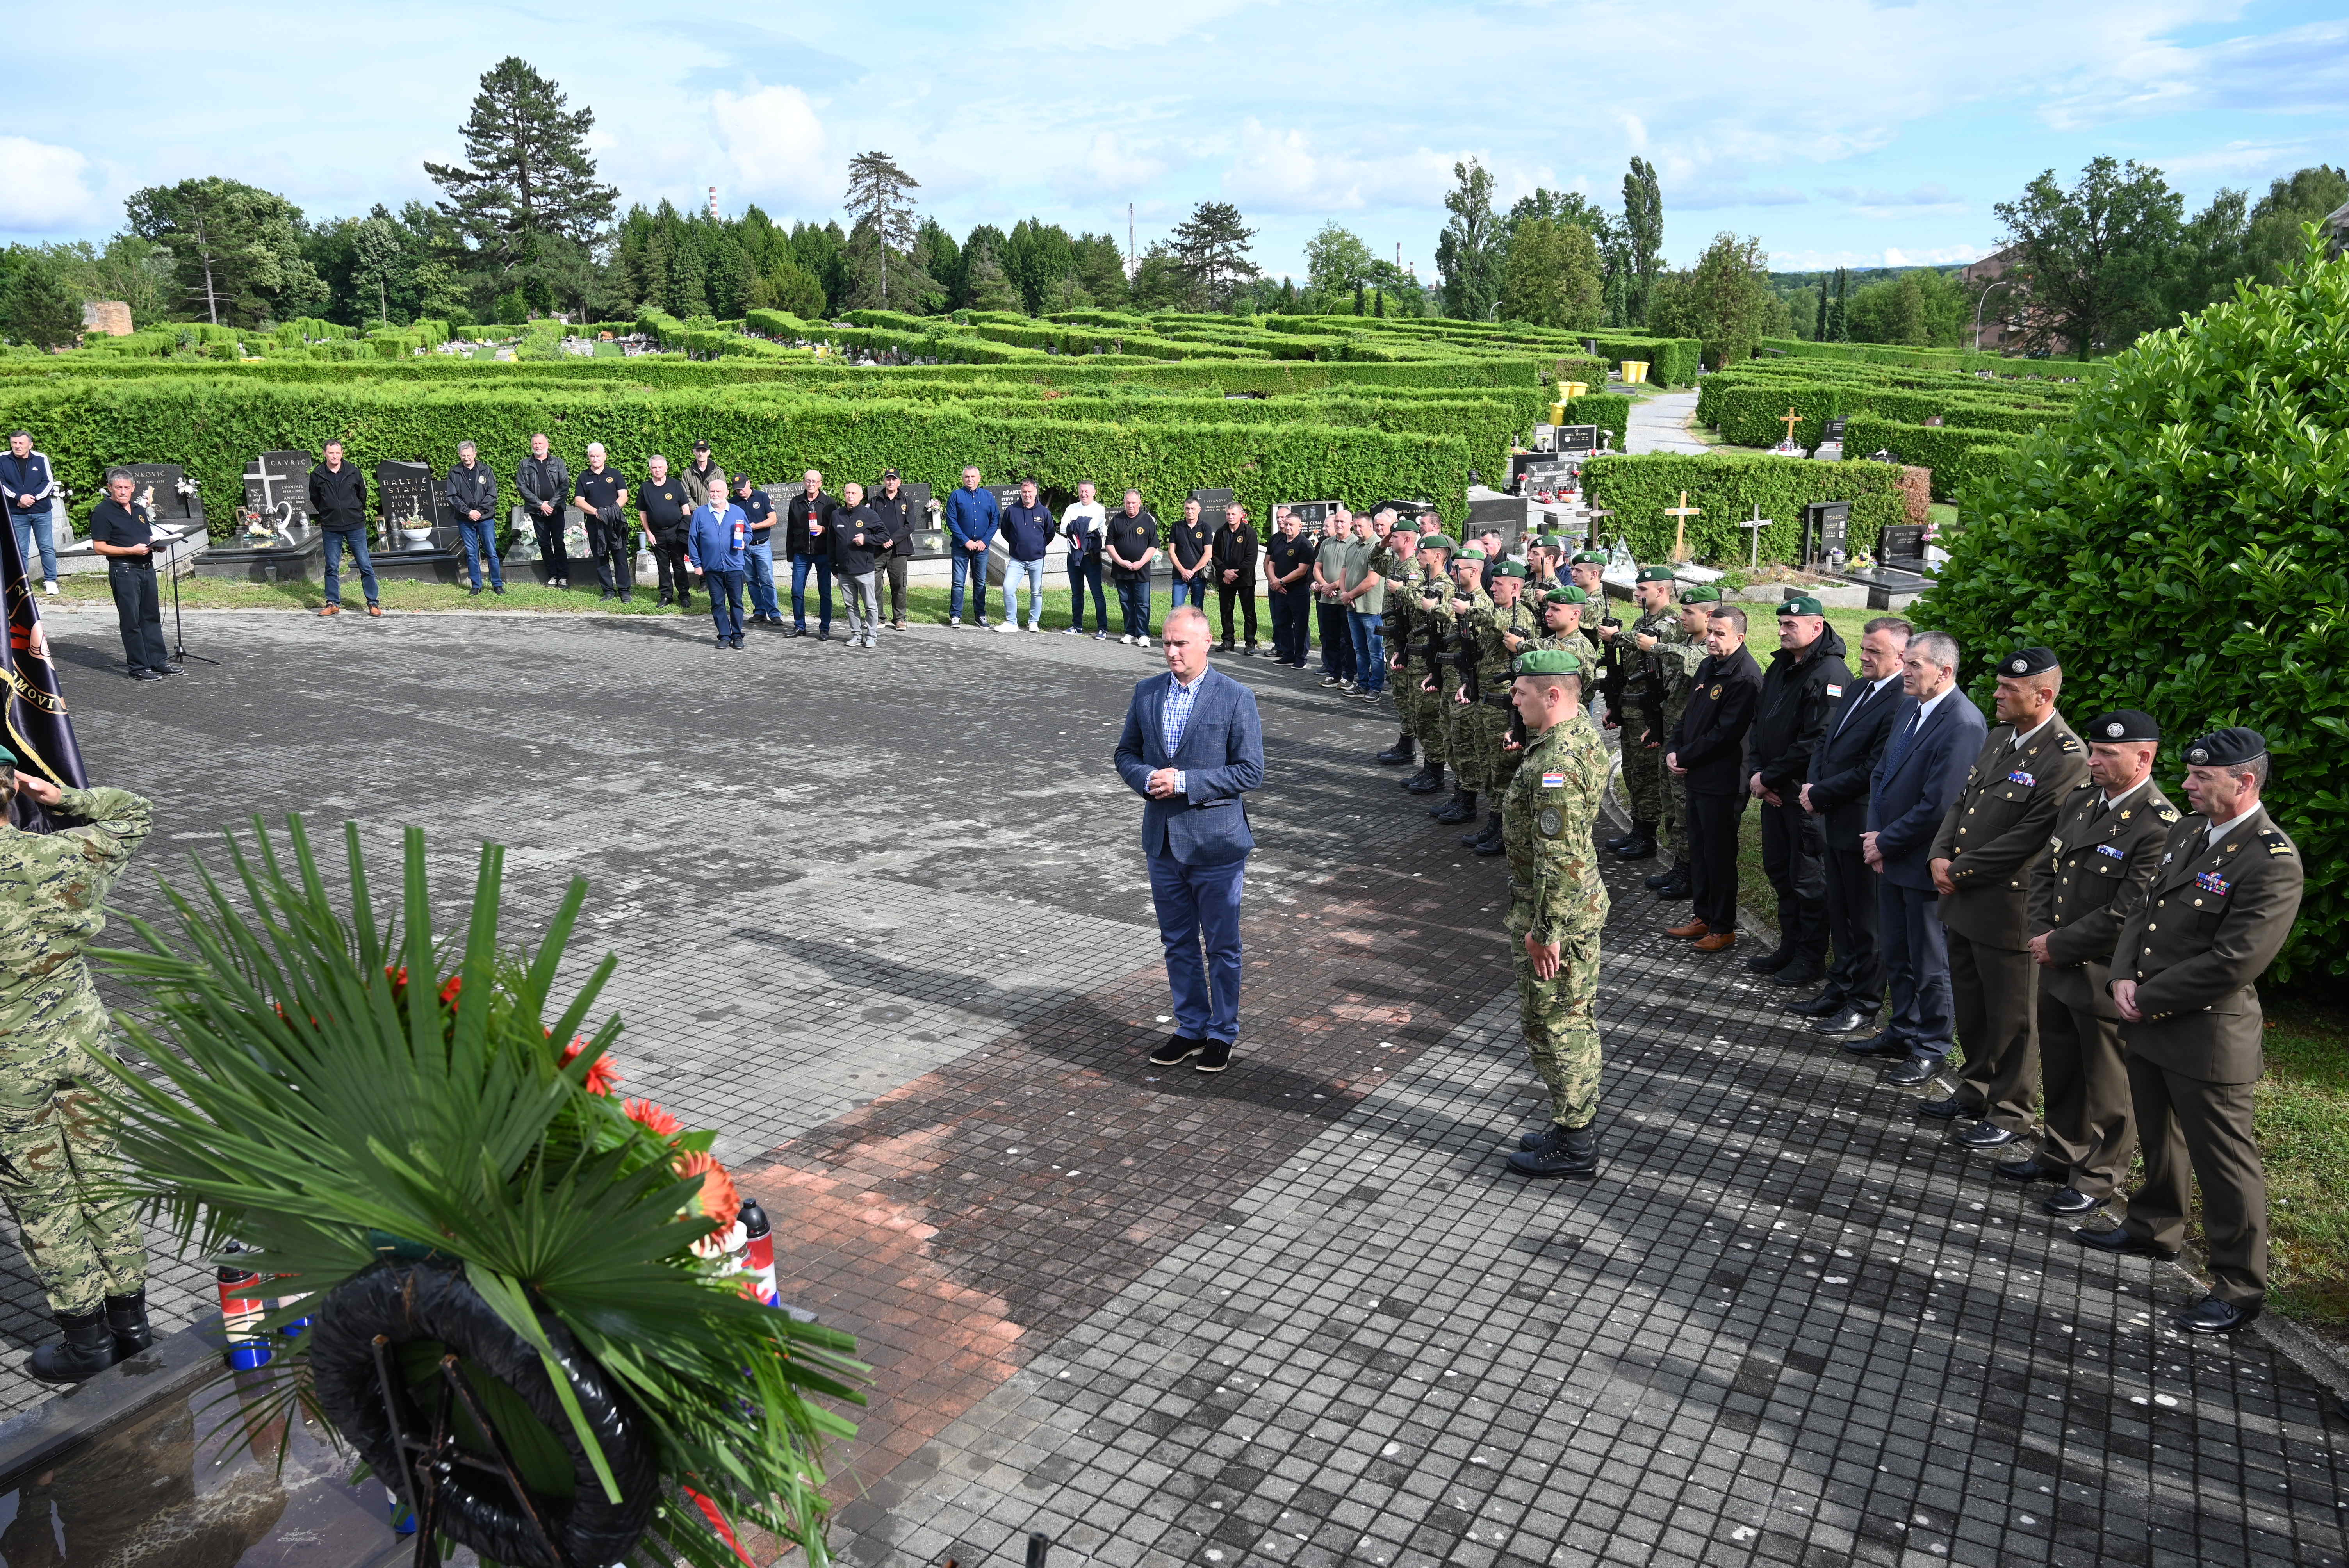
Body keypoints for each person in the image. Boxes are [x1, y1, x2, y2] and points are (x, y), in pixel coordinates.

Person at [2075, 727, 2301, 1335]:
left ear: (2244, 782)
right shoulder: (2189, 831)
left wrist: (2145, 997)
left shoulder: (2271, 861)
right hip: (2147, 1015)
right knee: (2159, 1133)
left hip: (2206, 1035)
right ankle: (2155, 1228)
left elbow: (2235, 960)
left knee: (2225, 1163)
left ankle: (2239, 1285)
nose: (2189, 784)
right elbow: (2143, 911)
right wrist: (2123, 975)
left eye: (2203, 777)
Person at [0, 766, 154, 1381]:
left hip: (11, 1069)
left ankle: (87, 1342)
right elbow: (135, 813)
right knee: (104, 1173)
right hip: (84, 1043)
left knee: (44, 1197)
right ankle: (134, 1325)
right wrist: (65, 798)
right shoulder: (66, 853)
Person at [2003, 710, 2178, 1216]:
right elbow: (2045, 872)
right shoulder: (2082, 801)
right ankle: (2059, 1152)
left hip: (2100, 971)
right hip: (2055, 961)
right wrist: (2041, 933)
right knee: (2061, 1068)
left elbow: (2129, 910)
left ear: (2143, 758)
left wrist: (2060, 944)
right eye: (2094, 751)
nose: (2093, 761)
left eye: (2106, 755)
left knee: (2107, 1085)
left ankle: (2099, 1177)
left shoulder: (2158, 824)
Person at [1921, 647, 2087, 1147]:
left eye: (2008, 689)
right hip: (1965, 898)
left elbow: (2032, 835)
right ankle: (1974, 1088)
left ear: (2045, 695)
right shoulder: (1999, 738)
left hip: (2007, 907)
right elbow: (1962, 803)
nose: (1995, 695)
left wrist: (1960, 868)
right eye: (1997, 686)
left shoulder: (2066, 756)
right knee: (1971, 1007)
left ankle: (2012, 1111)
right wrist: (1939, 852)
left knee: (2013, 1018)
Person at [1115, 605, 1264, 1076]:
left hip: (1216, 843)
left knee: (1222, 945)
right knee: (1177, 942)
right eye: (1166, 643)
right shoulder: (1147, 692)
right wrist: (1146, 778)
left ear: (1207, 642)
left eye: (1181, 643)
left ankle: (1222, 1032)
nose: (1172, 651)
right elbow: (1125, 752)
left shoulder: (1236, 696)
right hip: (1162, 842)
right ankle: (1191, 1027)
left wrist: (1184, 783)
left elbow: (1250, 770)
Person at [1498, 647, 1611, 1179]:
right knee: (1566, 1017)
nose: (1513, 699)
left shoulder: (1556, 763)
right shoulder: (1574, 735)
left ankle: (1576, 1144)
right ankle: (1571, 1123)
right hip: (1569, 907)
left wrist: (1547, 932)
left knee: (1557, 1024)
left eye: (1521, 692)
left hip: (1558, 916)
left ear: (1553, 695)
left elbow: (1559, 856)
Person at [1857, 632, 1989, 1082]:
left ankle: (1932, 1045)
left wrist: (1885, 842)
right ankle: (1902, 1029)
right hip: (1890, 853)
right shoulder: (1910, 705)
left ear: (1944, 671)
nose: (1905, 671)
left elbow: (1939, 805)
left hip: (1923, 862)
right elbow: (1882, 774)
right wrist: (1876, 836)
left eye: (1914, 665)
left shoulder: (1963, 724)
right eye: (1905, 663)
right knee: (1897, 952)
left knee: (1930, 962)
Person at [1790, 616, 1909, 1035]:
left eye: (1874, 651)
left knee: (1866, 920)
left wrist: (1820, 793)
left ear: (1901, 657)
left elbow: (1872, 767)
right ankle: (1839, 986)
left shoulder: (1900, 701)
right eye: (1862, 648)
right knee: (1839, 911)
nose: (1862, 656)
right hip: (1834, 819)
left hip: (1862, 822)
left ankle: (1864, 1001)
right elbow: (1826, 739)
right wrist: (1813, 782)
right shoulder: (1860, 686)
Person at [1745, 597, 1852, 990]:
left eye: (1791, 624)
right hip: (1773, 790)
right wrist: (1758, 772)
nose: (1781, 630)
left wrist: (1771, 777)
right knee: (1780, 871)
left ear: (1817, 627)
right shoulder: (1781, 664)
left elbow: (1816, 741)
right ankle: (1787, 948)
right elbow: (1759, 723)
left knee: (1808, 881)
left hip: (1803, 797)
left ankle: (1810, 959)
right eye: (1780, 623)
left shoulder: (1830, 673)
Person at [1665, 606, 1762, 952]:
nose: (1711, 639)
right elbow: (1688, 715)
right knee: (1700, 850)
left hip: (1724, 780)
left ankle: (1724, 927)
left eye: (1721, 634)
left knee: (1720, 855)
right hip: (1698, 775)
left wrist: (1685, 756)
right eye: (1711, 631)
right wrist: (1674, 747)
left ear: (1740, 637)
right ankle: (1703, 916)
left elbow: (1726, 734)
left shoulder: (1746, 677)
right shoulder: (1709, 666)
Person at [1640, 585, 1716, 899]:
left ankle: (1690, 872)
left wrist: (1655, 647)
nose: (1683, 617)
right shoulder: (1687, 641)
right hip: (1673, 736)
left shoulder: (1708, 651)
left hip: (1690, 746)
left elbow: (1685, 659)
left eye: (1689, 613)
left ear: (1709, 616)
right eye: (1683, 611)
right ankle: (1679, 863)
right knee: (1671, 806)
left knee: (1686, 812)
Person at [1604, 567, 1683, 861]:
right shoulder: (1642, 620)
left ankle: (1647, 835)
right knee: (1633, 772)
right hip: (1631, 708)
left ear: (1661, 591)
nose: (1637, 595)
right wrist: (1615, 706)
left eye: (1643, 590)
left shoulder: (1671, 623)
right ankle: (1638, 828)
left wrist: (1617, 636)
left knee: (1647, 774)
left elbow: (1646, 641)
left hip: (1649, 712)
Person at [1459, 560, 1537, 852]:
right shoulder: (1498, 613)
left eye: (1498, 585)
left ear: (1516, 587)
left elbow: (1498, 623)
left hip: (1504, 707)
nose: (1492, 588)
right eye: (1492, 584)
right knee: (1490, 767)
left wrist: (1469, 611)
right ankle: (1494, 822)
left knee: (1504, 769)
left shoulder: (1521, 617)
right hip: (1486, 702)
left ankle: (1507, 831)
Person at [86, 469, 173, 680]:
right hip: (124, 571)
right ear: (110, 488)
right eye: (119, 488)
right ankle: (138, 667)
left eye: (127, 488)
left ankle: (158, 661)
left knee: (151, 617)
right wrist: (130, 551)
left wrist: (157, 546)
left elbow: (146, 536)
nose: (123, 492)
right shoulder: (102, 512)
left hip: (147, 568)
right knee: (131, 620)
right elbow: (99, 547)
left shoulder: (139, 509)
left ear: (133, 488)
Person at [1427, 547, 1492, 826]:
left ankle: (1468, 801)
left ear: (1474, 571)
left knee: (1465, 742)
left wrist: (1440, 608)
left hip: (1466, 683)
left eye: (1459, 569)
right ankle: (1460, 794)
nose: (1453, 573)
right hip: (1452, 678)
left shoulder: (1481, 605)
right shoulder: (1460, 599)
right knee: (1451, 740)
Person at [1400, 535, 1455, 798]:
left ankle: (1436, 772)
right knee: (1418, 715)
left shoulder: (1445, 585)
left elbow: (1422, 604)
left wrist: (1405, 591)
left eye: (1424, 553)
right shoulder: (1426, 582)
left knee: (1429, 717)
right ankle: (1428, 766)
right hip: (1416, 658)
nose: (1419, 556)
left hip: (1430, 661)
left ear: (1438, 556)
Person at [305, 439, 379, 617]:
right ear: (324, 454)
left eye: (338, 453)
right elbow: (315, 498)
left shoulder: (353, 471)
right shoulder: (317, 474)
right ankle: (333, 603)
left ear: (342, 453)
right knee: (331, 566)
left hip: (355, 525)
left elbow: (362, 495)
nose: (335, 456)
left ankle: (373, 603)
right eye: (331, 453)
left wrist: (352, 510)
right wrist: (327, 513)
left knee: (365, 565)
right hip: (331, 527)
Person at [683, 466, 748, 649]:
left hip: (734, 565)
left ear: (727, 492)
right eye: (712, 491)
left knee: (737, 602)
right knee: (717, 603)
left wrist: (744, 540)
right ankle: (724, 636)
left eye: (719, 491)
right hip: (712, 567)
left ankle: (737, 635)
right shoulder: (700, 514)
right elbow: (693, 540)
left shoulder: (737, 511)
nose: (715, 494)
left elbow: (748, 532)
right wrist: (697, 563)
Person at [1372, 526, 1421, 762]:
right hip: (1394, 638)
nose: (1390, 540)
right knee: (1399, 693)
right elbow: (1374, 560)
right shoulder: (1395, 564)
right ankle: (1406, 741)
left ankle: (1409, 745)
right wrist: (1383, 542)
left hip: (1404, 641)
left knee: (1405, 693)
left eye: (1395, 537)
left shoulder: (1413, 569)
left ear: (1408, 539)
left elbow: (1416, 606)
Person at [0, 431, 59, 595]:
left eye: (21, 443)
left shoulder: (41, 458)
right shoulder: (2, 459)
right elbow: (2, 483)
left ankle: (51, 580)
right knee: (20, 550)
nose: (17, 446)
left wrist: (32, 498)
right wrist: (19, 497)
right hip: (17, 512)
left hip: (41, 511)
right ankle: (22, 583)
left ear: (30, 445)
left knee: (46, 546)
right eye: (14, 443)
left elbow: (48, 482)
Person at [574, 443, 633, 602]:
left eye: (598, 456)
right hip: (595, 524)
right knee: (601, 557)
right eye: (592, 456)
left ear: (605, 456)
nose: (595, 459)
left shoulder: (615, 474)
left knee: (620, 556)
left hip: (615, 523)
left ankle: (625, 591)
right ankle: (608, 591)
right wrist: (597, 513)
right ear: (589, 458)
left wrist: (609, 512)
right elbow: (579, 501)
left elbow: (624, 497)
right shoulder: (584, 477)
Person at [444, 440, 502, 596]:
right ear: (459, 455)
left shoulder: (486, 470)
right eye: (463, 456)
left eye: (469, 455)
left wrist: (479, 511)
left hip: (486, 519)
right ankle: (476, 585)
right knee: (471, 553)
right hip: (465, 520)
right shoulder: (454, 472)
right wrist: (468, 512)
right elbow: (452, 496)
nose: (466, 458)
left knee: (491, 552)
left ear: (475, 454)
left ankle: (497, 584)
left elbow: (492, 495)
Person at [945, 465, 1000, 628]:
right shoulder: (956, 496)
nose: (970, 479)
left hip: (982, 548)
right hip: (961, 547)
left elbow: (995, 520)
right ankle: (955, 615)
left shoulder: (988, 497)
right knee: (959, 582)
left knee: (980, 582)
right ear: (963, 479)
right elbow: (951, 521)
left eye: (973, 476)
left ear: (979, 478)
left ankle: (980, 615)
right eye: (967, 477)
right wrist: (965, 541)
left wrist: (985, 541)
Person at [832, 480, 885, 649]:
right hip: (844, 572)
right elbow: (831, 543)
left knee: (870, 605)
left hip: (864, 570)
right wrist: (834, 567)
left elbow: (884, 536)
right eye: (848, 493)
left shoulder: (870, 515)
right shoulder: (836, 515)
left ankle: (871, 636)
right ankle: (856, 634)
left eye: (854, 493)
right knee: (850, 605)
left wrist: (867, 539)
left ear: (861, 496)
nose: (850, 496)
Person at [783, 469, 836, 638]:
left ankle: (824, 629)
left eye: (815, 481)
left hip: (823, 553)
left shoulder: (829, 503)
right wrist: (790, 557)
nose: (811, 484)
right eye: (808, 481)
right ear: (804, 483)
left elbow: (835, 531)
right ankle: (800, 626)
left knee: (825, 593)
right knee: (797, 591)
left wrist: (824, 529)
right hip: (801, 554)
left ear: (821, 484)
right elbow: (790, 531)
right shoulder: (796, 502)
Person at [636, 455, 693, 611]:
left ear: (666, 468)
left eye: (660, 467)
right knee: (662, 565)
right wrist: (648, 532)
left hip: (676, 532)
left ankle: (684, 596)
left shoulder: (675, 485)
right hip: (657, 534)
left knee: (679, 564)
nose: (658, 470)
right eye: (654, 467)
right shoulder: (645, 488)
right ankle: (666, 596)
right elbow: (643, 513)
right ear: (650, 469)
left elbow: (685, 508)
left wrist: (685, 528)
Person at [998, 478, 1054, 633]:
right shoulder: (1011, 511)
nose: (1027, 495)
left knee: (1036, 592)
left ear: (1036, 492)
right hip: (1017, 560)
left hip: (1037, 559)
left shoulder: (1044, 512)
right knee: (1008, 588)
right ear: (1020, 492)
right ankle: (1011, 622)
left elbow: (1050, 533)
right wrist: (1018, 545)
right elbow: (1005, 532)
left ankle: (1034, 622)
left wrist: (1038, 547)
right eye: (1024, 492)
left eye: (1030, 492)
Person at [517, 432, 571, 588]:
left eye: (541, 443)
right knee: (544, 544)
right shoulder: (525, 465)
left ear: (547, 445)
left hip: (556, 510)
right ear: (532, 446)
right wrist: (541, 505)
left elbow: (564, 485)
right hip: (537, 511)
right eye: (535, 444)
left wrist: (551, 504)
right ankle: (552, 576)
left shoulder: (558, 463)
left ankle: (563, 576)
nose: (538, 446)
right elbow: (522, 488)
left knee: (559, 543)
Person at [1339, 511, 1384, 698]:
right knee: (1360, 649)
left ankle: (1376, 688)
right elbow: (1344, 572)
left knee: (1375, 651)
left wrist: (1349, 594)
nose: (1357, 529)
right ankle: (1362, 683)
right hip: (1352, 607)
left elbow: (1372, 581)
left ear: (1370, 526)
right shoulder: (1352, 546)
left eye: (1360, 526)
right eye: (1355, 526)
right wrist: (1344, 594)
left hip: (1370, 607)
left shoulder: (1378, 547)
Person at [1105, 489, 1158, 647]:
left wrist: (1141, 562)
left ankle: (1143, 634)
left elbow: (1153, 545)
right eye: (1128, 503)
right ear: (1124, 503)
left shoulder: (1148, 521)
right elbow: (1109, 544)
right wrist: (1121, 562)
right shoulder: (1117, 520)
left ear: (1140, 503)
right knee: (1126, 602)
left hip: (1141, 570)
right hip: (1122, 569)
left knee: (1143, 603)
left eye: (1134, 503)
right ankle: (1130, 633)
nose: (1131, 506)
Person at [1265, 506, 1315, 668]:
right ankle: (1288, 654)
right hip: (1280, 591)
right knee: (1282, 623)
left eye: (1291, 525)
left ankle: (1301, 658)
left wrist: (1281, 582)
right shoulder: (1278, 541)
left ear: (1300, 526)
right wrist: (1274, 582)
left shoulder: (1304, 544)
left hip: (1298, 591)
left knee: (1300, 625)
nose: (1287, 527)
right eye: (1286, 524)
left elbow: (1302, 570)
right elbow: (1271, 564)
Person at [1313, 511, 1358, 689]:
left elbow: (1354, 572)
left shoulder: (1355, 543)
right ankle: (1333, 673)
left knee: (1348, 641)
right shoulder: (1326, 543)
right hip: (1326, 600)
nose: (1339, 524)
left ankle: (1349, 675)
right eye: (1337, 521)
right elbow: (1317, 568)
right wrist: (1325, 586)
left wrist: (1335, 586)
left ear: (1351, 524)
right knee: (1329, 639)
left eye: (1342, 522)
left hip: (1345, 601)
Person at [871, 470, 920, 630]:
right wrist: (882, 540)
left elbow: (910, 526)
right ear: (884, 481)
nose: (891, 482)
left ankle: (899, 618)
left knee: (899, 585)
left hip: (899, 550)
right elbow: (870, 524)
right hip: (878, 550)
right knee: (875, 585)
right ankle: (878, 617)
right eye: (888, 479)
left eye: (894, 480)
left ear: (899, 482)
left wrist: (892, 540)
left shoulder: (907, 501)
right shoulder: (875, 501)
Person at [1061, 480, 1108, 638]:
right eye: (1081, 491)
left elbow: (1092, 527)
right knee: (1077, 593)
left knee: (1097, 593)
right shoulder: (1071, 508)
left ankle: (1102, 628)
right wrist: (1082, 525)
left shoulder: (1100, 510)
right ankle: (1077, 626)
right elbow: (1062, 528)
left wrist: (1074, 525)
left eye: (1087, 491)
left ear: (1094, 493)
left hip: (1091, 558)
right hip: (1073, 556)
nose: (1084, 494)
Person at [1213, 502, 1260, 654]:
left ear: (1241, 515)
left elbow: (1251, 559)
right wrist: (1225, 572)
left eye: (1234, 514)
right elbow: (1215, 556)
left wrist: (1234, 575)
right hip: (1225, 579)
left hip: (1245, 579)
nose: (1231, 517)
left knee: (1249, 612)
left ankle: (1250, 643)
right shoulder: (1221, 532)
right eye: (1228, 514)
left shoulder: (1249, 533)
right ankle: (1228, 640)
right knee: (1226, 611)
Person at [735, 473, 781, 625]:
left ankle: (774, 613)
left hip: (762, 545)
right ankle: (760, 611)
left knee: (767, 580)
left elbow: (773, 519)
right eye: (737, 490)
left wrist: (755, 526)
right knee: (752, 581)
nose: (740, 492)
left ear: (749, 483)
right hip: (744, 547)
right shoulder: (733, 502)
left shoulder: (762, 497)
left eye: (742, 488)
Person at [1167, 497, 1212, 613]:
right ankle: (1177, 631)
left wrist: (1193, 571)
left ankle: (1196, 631)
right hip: (1179, 576)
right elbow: (1171, 552)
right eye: (1187, 508)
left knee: (1197, 610)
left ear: (1199, 510)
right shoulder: (1176, 527)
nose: (1190, 511)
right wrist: (1183, 571)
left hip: (1198, 576)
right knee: (1176, 608)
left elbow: (1208, 553)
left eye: (1193, 509)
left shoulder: (1205, 528)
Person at [681, 438, 721, 508]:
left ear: (708, 453)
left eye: (704, 451)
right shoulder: (687, 473)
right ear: (694, 452)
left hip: (714, 512)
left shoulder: (718, 473)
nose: (701, 454)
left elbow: (722, 494)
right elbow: (685, 495)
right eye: (698, 451)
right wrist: (699, 511)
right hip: (695, 514)